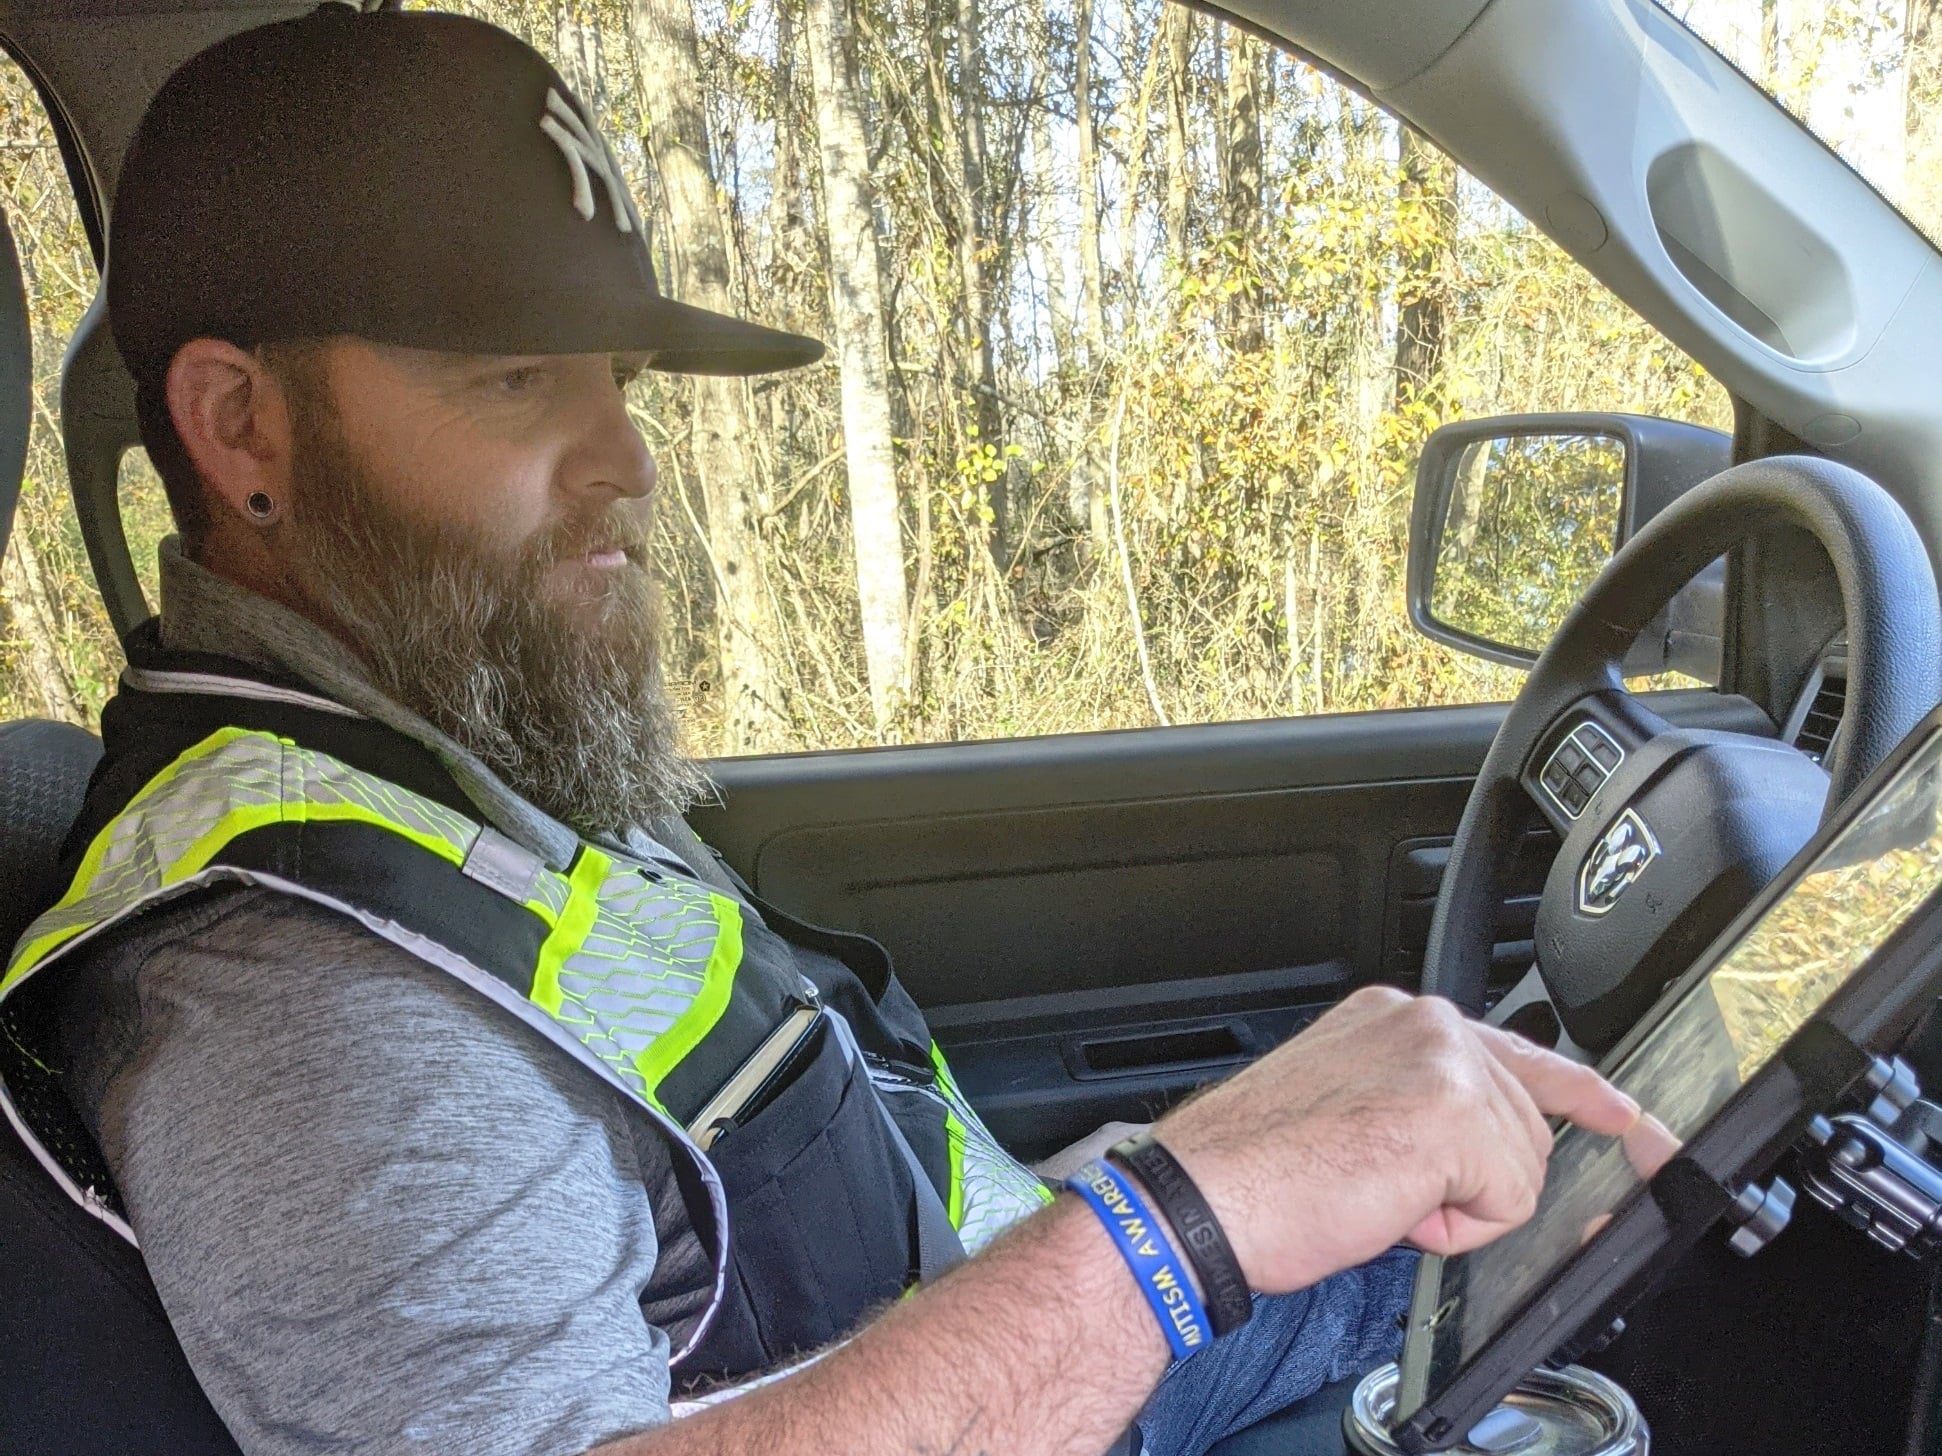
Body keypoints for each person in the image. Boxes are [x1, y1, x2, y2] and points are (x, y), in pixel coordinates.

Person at [0, 9, 1641, 1456]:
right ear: (240, 426)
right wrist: (1172, 1232)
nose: (627, 460)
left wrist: (1217, 1165)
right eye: (515, 382)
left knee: (1585, 1205)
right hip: (1027, 1391)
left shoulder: (441, 747)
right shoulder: (302, 996)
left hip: (987, 1339)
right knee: (1656, 1291)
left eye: (620, 375)